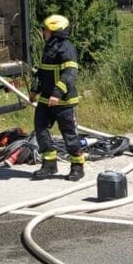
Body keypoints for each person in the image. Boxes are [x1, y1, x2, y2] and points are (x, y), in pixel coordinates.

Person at [30, 14, 84, 181]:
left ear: (54, 31)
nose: (44, 32)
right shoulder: (49, 47)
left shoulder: (66, 48)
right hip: (46, 99)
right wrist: (34, 90)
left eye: (46, 29)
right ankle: (49, 164)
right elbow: (42, 72)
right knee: (41, 130)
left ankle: (77, 166)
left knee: (69, 133)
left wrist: (57, 93)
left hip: (63, 100)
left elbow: (70, 74)